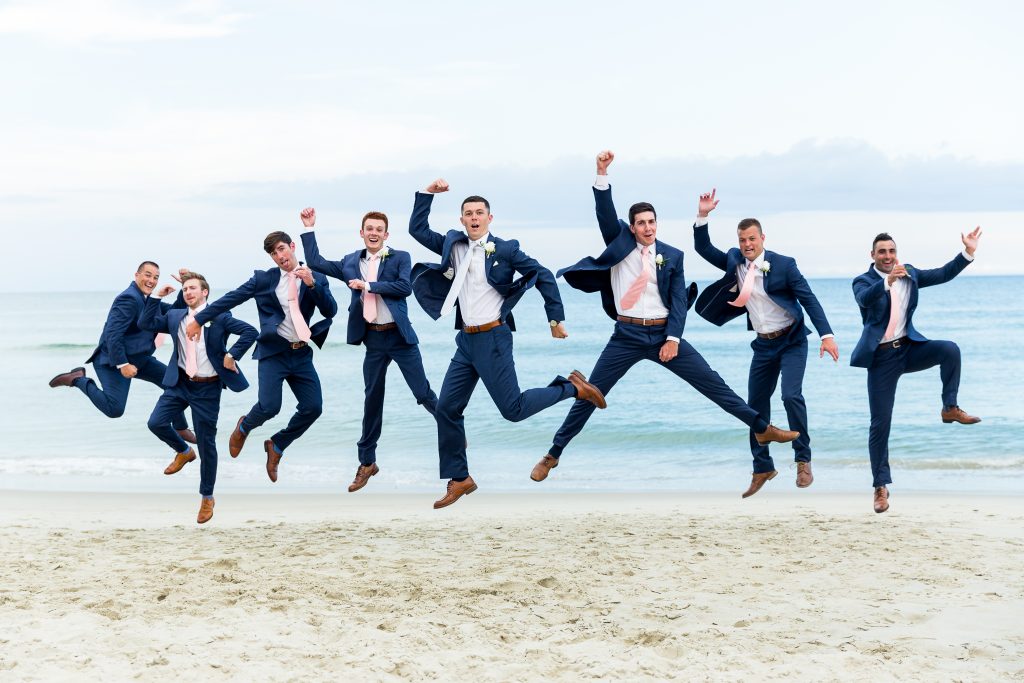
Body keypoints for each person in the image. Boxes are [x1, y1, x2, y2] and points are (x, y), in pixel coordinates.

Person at [532, 151, 798, 484]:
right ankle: (552, 454)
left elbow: (677, 301)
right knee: (590, 393)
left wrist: (673, 339)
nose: (647, 227)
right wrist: (601, 175)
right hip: (625, 337)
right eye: (641, 223)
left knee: (714, 385)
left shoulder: (672, 256)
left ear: (657, 224)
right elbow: (604, 213)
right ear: (632, 227)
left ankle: (762, 429)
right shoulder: (621, 244)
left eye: (651, 222)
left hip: (663, 336)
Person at [408, 178, 606, 508]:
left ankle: (571, 388)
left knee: (512, 411)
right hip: (465, 341)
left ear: (489, 218)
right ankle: (460, 478)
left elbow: (542, 274)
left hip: (494, 339)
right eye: (468, 213)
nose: (474, 217)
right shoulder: (452, 246)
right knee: (446, 409)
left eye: (479, 213)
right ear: (461, 220)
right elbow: (417, 229)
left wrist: (555, 319)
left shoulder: (505, 249)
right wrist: (427, 194)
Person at [693, 190, 839, 497]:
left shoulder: (784, 265)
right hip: (763, 345)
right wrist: (703, 216)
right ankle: (762, 467)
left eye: (752, 239)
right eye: (742, 240)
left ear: (762, 239)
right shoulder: (735, 261)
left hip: (792, 341)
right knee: (754, 407)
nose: (747, 245)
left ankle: (803, 460)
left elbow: (808, 299)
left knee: (791, 395)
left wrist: (827, 335)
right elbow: (703, 247)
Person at [299, 206, 438, 493]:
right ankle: (366, 463)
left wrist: (369, 285)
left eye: (379, 229)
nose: (373, 233)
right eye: (369, 229)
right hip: (373, 339)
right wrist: (309, 228)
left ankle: (451, 428)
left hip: (400, 337)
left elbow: (403, 287)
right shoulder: (350, 262)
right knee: (372, 399)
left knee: (423, 392)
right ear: (361, 233)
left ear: (386, 235)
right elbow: (316, 261)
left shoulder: (400, 257)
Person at [187, 232, 337, 483]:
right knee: (270, 406)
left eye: (281, 249)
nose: (279, 257)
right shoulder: (263, 280)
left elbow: (330, 310)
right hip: (272, 353)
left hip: (301, 353)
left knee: (313, 408)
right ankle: (244, 427)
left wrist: (312, 284)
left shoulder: (315, 276)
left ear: (292, 246)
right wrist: (199, 319)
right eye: (273, 253)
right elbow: (229, 299)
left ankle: (277, 445)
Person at [851, 228, 982, 513]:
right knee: (880, 424)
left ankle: (950, 408)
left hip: (908, 349)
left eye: (892, 251)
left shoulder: (909, 273)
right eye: (882, 252)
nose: (888, 256)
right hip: (881, 359)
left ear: (897, 253)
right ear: (872, 256)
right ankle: (880, 487)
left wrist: (967, 253)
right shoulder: (862, 281)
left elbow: (943, 273)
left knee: (950, 349)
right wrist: (887, 281)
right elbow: (865, 299)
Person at [139, 270, 257, 523]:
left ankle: (207, 497)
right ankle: (183, 451)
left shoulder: (221, 317)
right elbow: (146, 324)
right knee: (155, 422)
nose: (188, 292)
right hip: (180, 383)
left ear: (205, 293)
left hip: (208, 389)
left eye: (193, 288)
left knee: (206, 444)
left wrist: (232, 355)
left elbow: (250, 332)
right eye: (185, 289)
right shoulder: (174, 316)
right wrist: (156, 298)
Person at [49, 261, 195, 444]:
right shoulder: (128, 298)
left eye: (156, 277)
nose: (152, 280)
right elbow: (112, 334)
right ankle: (77, 379)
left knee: (175, 384)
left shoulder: (149, 299)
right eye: (147, 275)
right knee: (114, 409)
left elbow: (175, 313)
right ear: (137, 275)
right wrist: (123, 364)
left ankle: (180, 428)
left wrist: (185, 288)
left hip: (140, 359)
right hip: (112, 362)